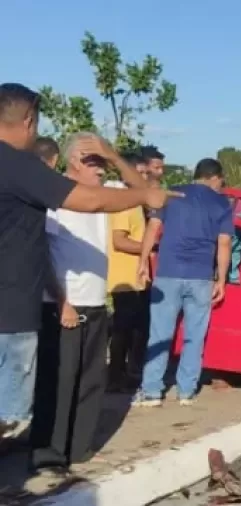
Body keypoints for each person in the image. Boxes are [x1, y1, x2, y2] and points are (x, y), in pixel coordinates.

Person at [0, 83, 176, 437]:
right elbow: (91, 201)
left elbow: (112, 195)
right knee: (11, 417)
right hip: (15, 310)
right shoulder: (19, 166)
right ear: (29, 120)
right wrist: (147, 194)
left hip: (55, 304)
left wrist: (114, 157)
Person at [30, 133, 148, 477]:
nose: (100, 169)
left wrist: (112, 155)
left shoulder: (104, 193)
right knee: (58, 382)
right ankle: (48, 455)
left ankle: (79, 448)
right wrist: (62, 301)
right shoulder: (55, 196)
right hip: (62, 305)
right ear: (75, 161)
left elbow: (143, 189)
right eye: (93, 162)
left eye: (102, 163)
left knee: (90, 380)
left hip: (95, 303)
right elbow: (41, 256)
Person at [133, 158, 234, 407]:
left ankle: (152, 391)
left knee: (160, 334)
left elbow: (153, 227)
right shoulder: (221, 203)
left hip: (168, 272)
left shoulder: (172, 194)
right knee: (194, 336)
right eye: (221, 181)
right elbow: (224, 243)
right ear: (214, 177)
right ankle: (186, 391)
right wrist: (221, 279)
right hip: (201, 276)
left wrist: (143, 261)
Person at [106, 152, 151, 393]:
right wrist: (150, 246)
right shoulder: (126, 204)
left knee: (133, 329)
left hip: (135, 276)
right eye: (139, 173)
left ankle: (125, 374)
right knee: (123, 330)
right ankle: (115, 376)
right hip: (124, 277)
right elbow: (119, 240)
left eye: (145, 173)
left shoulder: (136, 203)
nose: (143, 177)